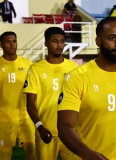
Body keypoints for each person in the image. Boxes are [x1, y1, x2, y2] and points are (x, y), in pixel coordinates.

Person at [57, 17, 116, 160]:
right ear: (98, 41)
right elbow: (65, 126)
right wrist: (86, 153)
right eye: (112, 38)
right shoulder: (77, 77)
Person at [23, 27, 79, 159]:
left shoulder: (73, 68)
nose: (59, 45)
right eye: (55, 41)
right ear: (46, 43)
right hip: (46, 131)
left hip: (71, 131)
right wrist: (39, 126)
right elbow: (30, 103)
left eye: (62, 41)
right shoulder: (35, 69)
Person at [0, 31, 35, 160]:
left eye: (14, 41)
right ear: (1, 45)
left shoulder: (27, 64)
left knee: (33, 152)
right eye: (8, 42)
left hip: (25, 117)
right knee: (4, 156)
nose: (12, 44)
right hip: (3, 119)